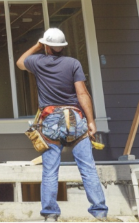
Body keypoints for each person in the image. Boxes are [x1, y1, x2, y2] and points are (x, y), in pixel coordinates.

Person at [16, 28, 107, 222]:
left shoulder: (38, 61)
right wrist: (91, 121)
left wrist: (37, 46)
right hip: (75, 119)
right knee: (88, 167)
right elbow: (82, 94)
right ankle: (99, 213)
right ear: (63, 46)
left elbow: (20, 62)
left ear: (47, 46)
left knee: (50, 169)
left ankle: (50, 214)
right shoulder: (73, 64)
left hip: (51, 120)